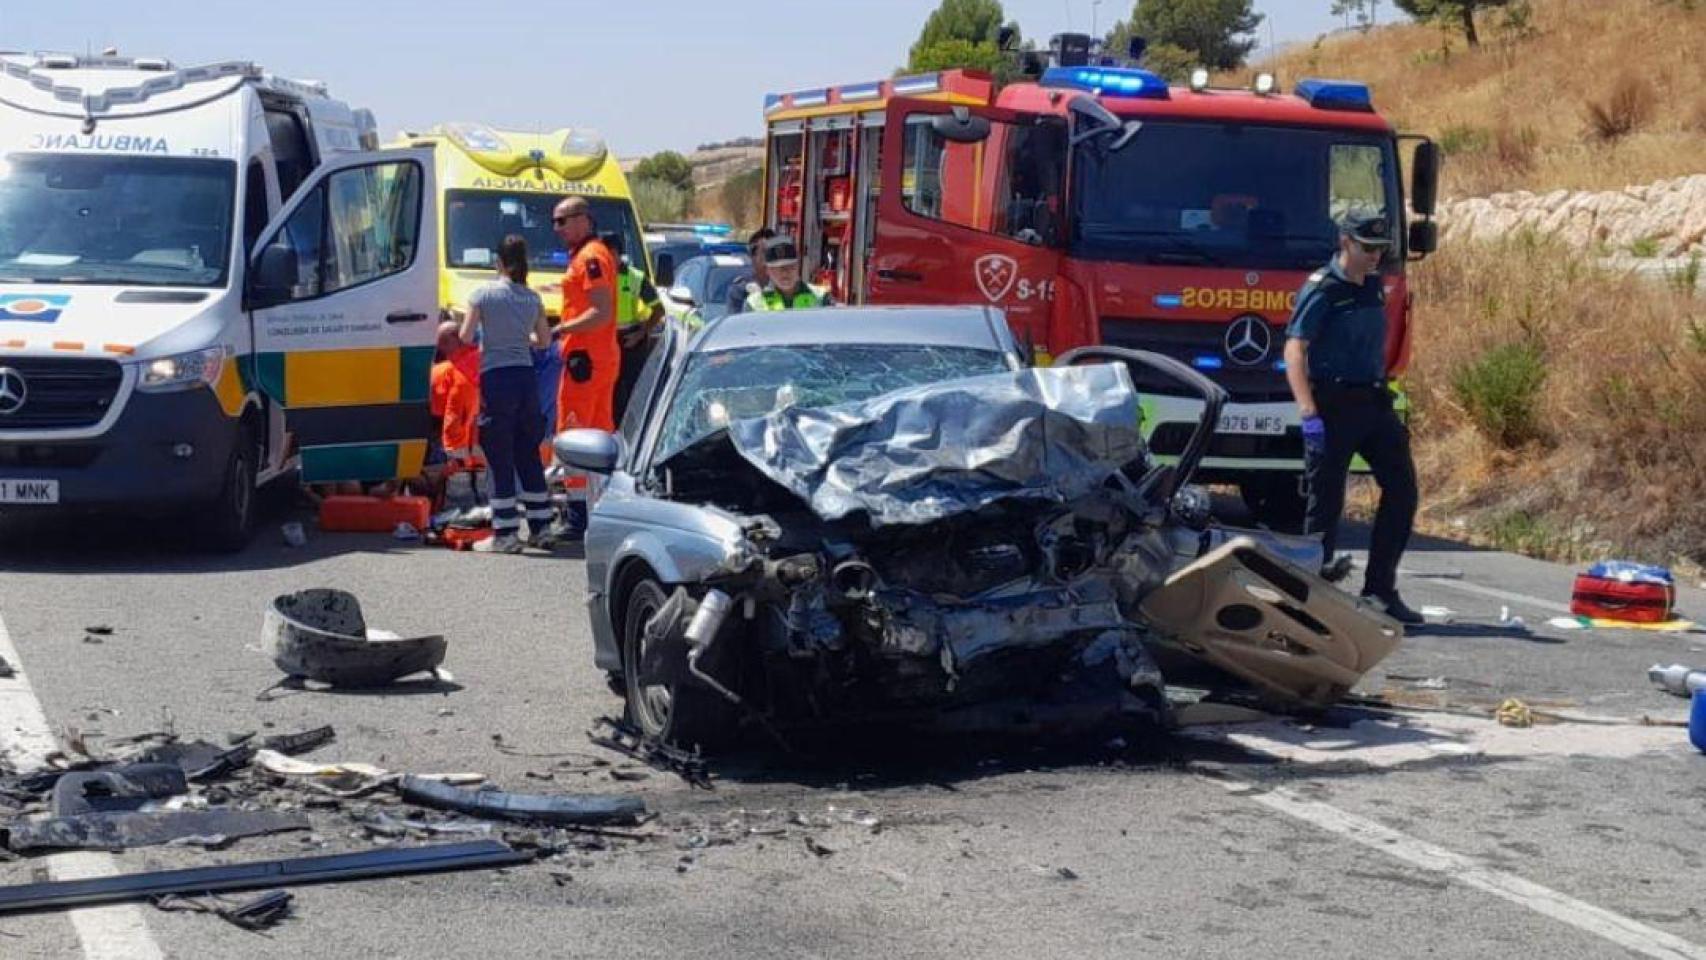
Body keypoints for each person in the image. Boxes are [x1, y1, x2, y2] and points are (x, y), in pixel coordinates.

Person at [1283, 209, 1422, 625]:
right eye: (1368, 248)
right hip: (1332, 404)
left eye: (1380, 249)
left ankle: (1380, 589)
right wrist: (1308, 411)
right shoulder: (1322, 289)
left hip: (1373, 402)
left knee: (1402, 490)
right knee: (1324, 506)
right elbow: (1295, 349)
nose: (1376, 256)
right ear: (1346, 243)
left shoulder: (1373, 286)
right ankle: (1310, 599)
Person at [457, 234, 554, 553]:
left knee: (499, 453)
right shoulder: (532, 298)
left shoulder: (482, 294)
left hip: (496, 377)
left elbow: (466, 335)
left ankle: (506, 533)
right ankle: (541, 527)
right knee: (527, 450)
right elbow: (544, 342)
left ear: (497, 261)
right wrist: (520, 339)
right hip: (526, 378)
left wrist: (492, 337)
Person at [603, 230, 663, 423]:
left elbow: (658, 310)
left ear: (618, 253)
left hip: (629, 342)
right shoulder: (596, 277)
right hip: (603, 341)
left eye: (609, 253)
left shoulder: (635, 277)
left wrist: (640, 334)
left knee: (629, 393)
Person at [745, 236, 833, 311]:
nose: (785, 272)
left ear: (798, 266)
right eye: (778, 268)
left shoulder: (821, 297)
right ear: (768, 270)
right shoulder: (754, 303)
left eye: (790, 266)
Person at [726, 227, 775, 314]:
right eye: (765, 252)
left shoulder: (785, 286)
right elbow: (736, 322)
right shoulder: (740, 290)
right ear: (753, 257)